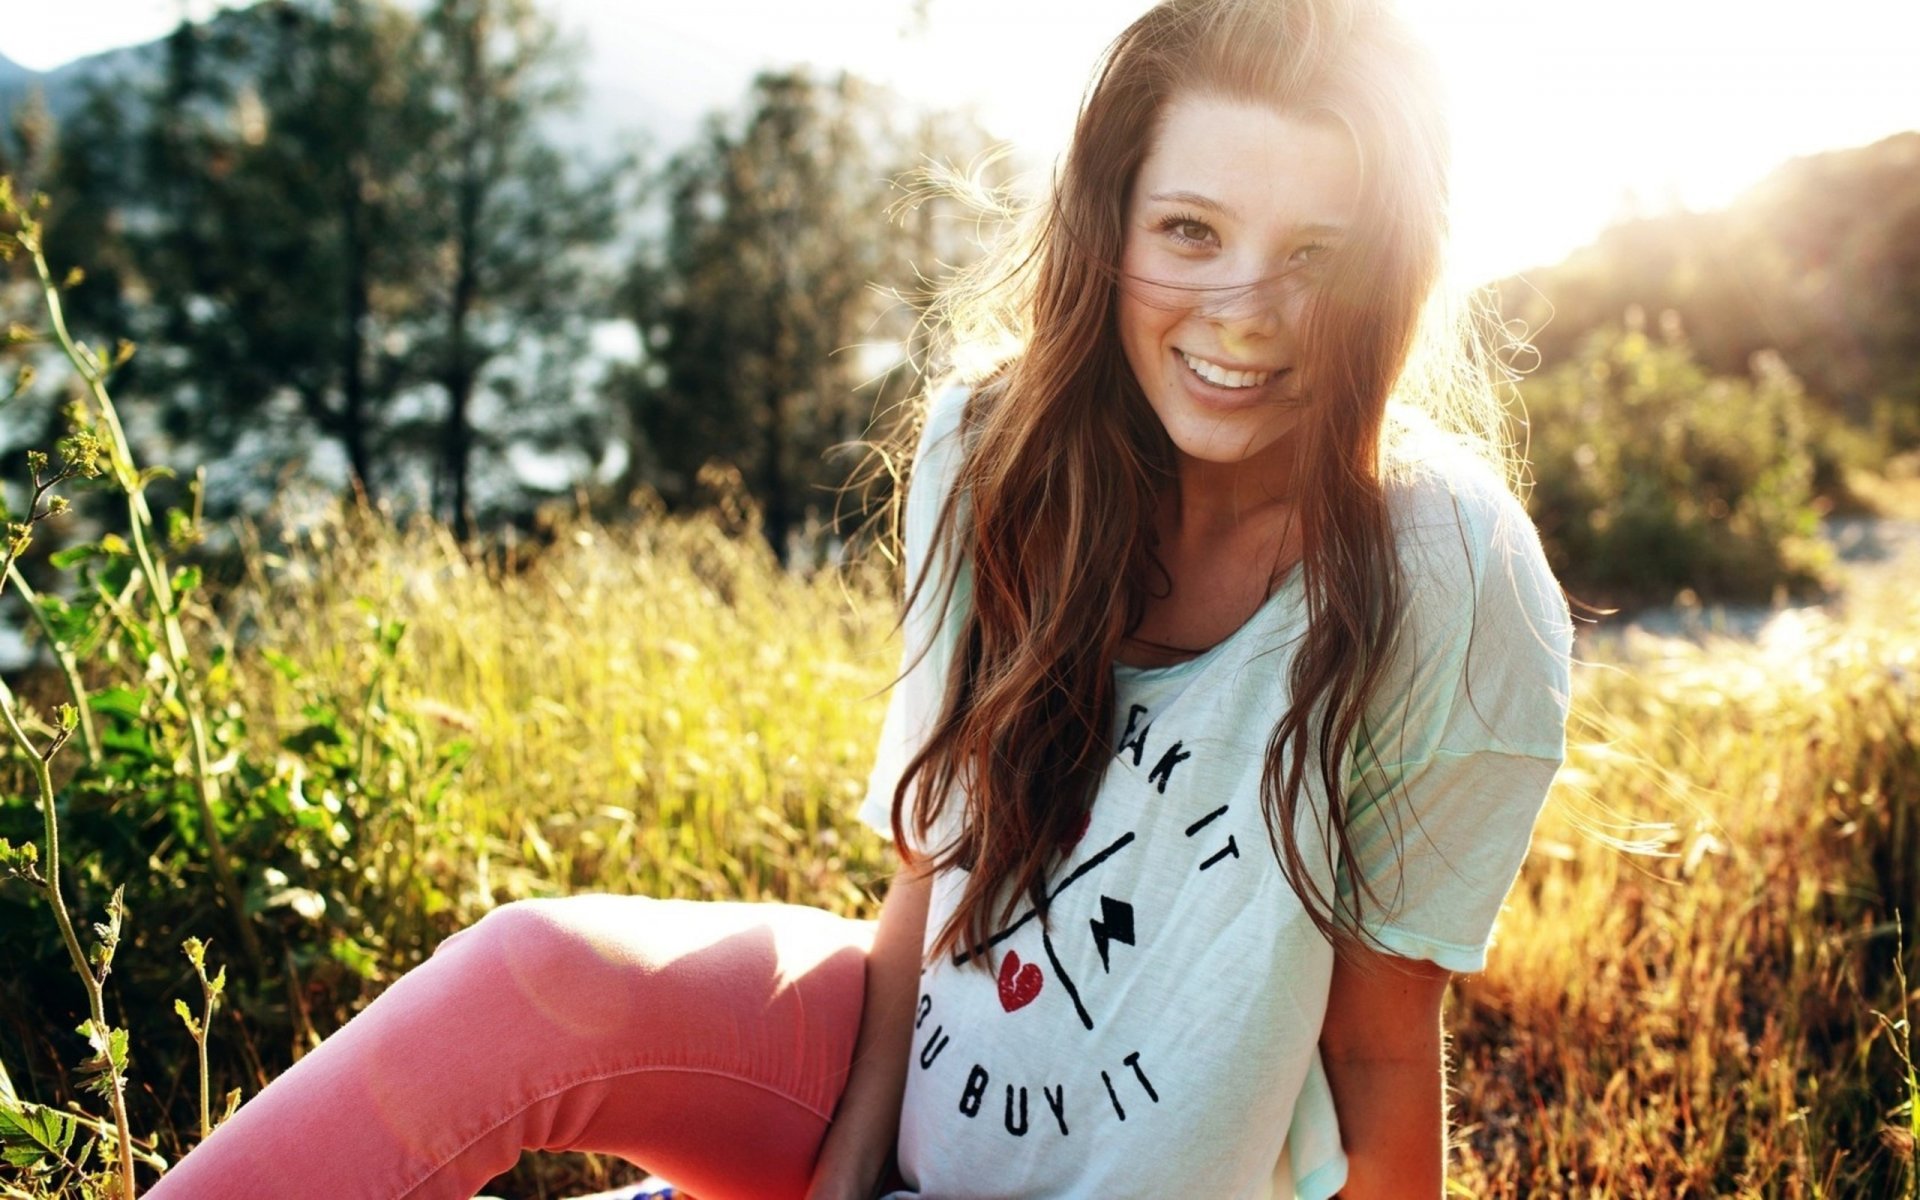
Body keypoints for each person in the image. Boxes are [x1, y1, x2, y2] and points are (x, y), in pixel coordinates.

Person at [148, 0, 1571, 1197]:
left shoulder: (1443, 568)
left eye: (1315, 257)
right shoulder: (991, 450)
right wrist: (844, 1177)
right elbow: (930, 875)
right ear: (1106, 224)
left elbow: (1381, 1053)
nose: (1247, 313)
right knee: (533, 972)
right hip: (905, 1081)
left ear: (1392, 269)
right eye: (1191, 230)